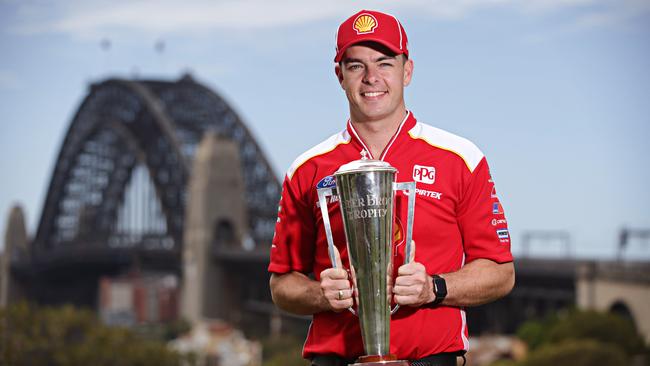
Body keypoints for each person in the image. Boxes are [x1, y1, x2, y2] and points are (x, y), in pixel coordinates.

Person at [268, 9, 515, 366]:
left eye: (384, 63)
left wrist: (434, 287)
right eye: (356, 66)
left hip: (431, 360)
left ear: (407, 71)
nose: (371, 78)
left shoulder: (460, 158)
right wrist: (320, 294)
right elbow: (281, 285)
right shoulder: (307, 169)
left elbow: (500, 273)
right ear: (339, 76)